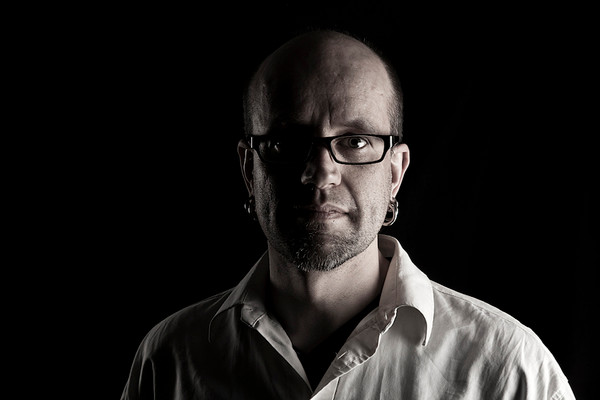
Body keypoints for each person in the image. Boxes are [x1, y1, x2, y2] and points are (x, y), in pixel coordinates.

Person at [121, 29, 575, 399]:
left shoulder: (508, 369)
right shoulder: (169, 361)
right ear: (248, 168)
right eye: (286, 142)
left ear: (395, 172)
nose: (321, 173)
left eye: (356, 141)